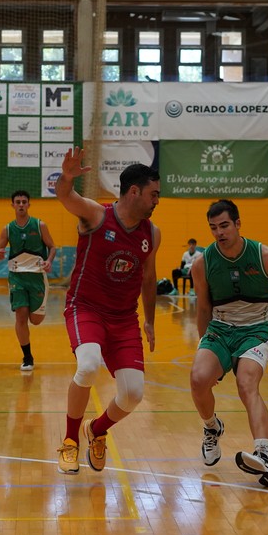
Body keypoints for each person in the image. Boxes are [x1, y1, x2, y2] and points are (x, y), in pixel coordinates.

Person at [188, 199, 268, 488]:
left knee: (247, 383)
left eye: (224, 225)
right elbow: (202, 308)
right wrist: (205, 347)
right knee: (198, 379)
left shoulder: (266, 256)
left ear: (237, 224)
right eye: (213, 228)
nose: (219, 232)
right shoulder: (202, 262)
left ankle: (264, 455)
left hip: (256, 328)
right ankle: (212, 428)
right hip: (220, 327)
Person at [54, 148, 161, 475]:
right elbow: (66, 196)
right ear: (134, 192)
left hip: (124, 318)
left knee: (132, 394)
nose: (158, 201)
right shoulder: (96, 215)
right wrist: (67, 178)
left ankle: (96, 430)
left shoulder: (152, 233)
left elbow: (149, 277)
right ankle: (71, 441)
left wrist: (151, 321)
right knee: (87, 366)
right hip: (86, 308)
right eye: (153, 194)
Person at [0, 189, 56, 371]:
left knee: (35, 320)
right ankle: (27, 357)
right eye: (17, 202)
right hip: (17, 276)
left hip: (37, 277)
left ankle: (34, 308)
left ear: (28, 204)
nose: (20, 205)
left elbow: (52, 247)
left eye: (23, 202)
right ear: (12, 205)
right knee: (21, 314)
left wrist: (49, 261)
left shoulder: (39, 225)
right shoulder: (8, 229)